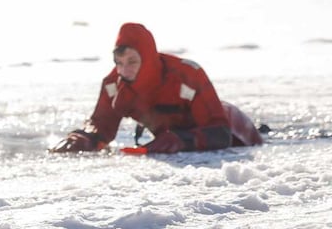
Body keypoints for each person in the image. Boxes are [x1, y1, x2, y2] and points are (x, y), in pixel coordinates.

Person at [51, 22, 263, 154]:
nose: (124, 70)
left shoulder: (187, 74)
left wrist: (182, 139)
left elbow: (221, 134)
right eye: (119, 62)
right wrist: (85, 137)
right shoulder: (113, 84)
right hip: (176, 138)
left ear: (148, 59)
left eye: (132, 62)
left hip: (237, 130)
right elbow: (101, 126)